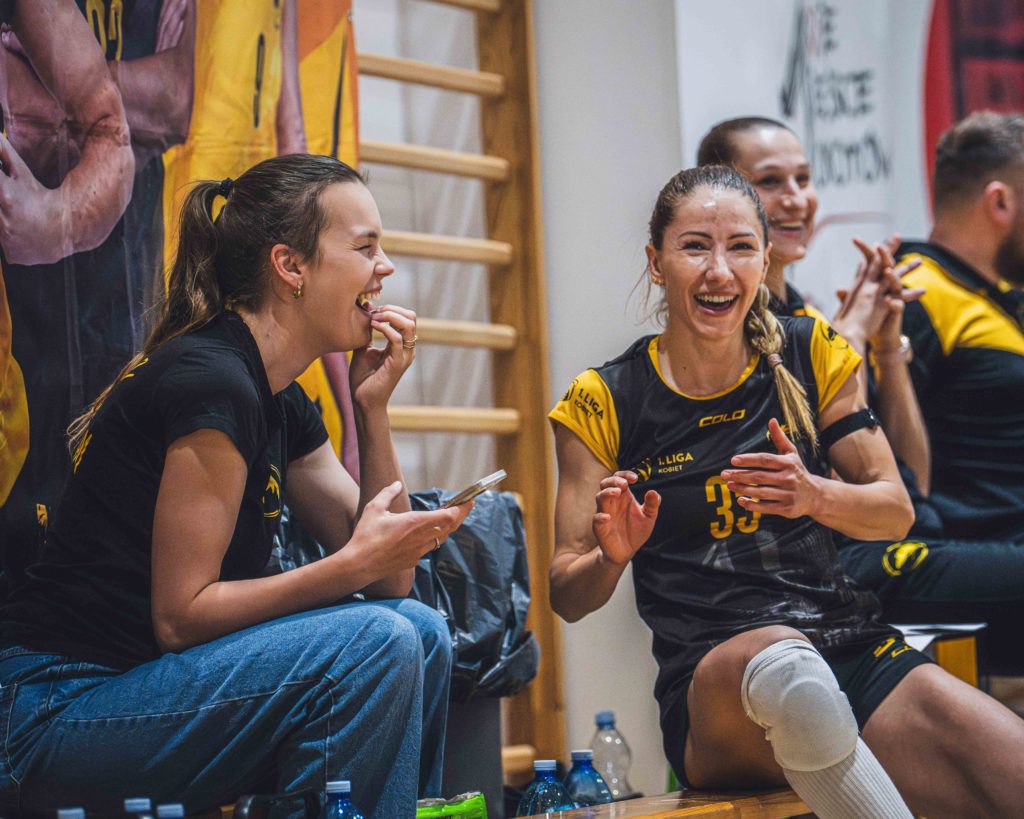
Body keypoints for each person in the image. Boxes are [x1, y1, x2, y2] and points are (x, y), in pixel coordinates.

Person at [0, 154, 470, 818]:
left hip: (145, 690)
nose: (384, 267)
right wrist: (348, 567)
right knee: (377, 644)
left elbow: (390, 580)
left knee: (418, 630)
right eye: (366, 248)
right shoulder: (214, 380)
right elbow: (180, 616)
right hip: (54, 711)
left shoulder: (281, 396)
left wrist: (372, 407)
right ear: (291, 267)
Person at [549, 165, 1024, 817]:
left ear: (765, 259)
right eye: (695, 247)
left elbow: (894, 511)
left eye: (741, 247)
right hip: (717, 684)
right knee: (790, 667)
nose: (719, 270)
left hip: (847, 644)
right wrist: (610, 557)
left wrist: (814, 495)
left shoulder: (812, 350)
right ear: (656, 262)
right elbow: (566, 594)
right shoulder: (602, 398)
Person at [697, 116, 1024, 677]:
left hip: (895, 539)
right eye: (772, 182)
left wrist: (887, 351)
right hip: (825, 570)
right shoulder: (726, 330)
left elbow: (907, 483)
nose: (796, 198)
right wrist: (845, 342)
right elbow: (813, 469)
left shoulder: (808, 315)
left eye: (803, 179)